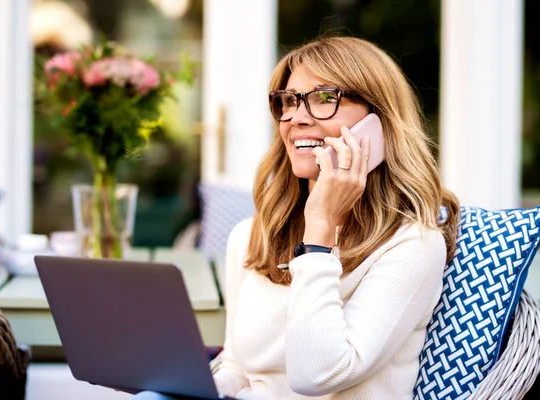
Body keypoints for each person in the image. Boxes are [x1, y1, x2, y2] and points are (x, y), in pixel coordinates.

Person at [134, 35, 460, 399]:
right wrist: (186, 389)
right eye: (288, 102)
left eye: (325, 99)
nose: (296, 119)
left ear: (379, 124)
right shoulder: (251, 236)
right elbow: (238, 367)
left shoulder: (412, 244)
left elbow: (318, 375)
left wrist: (319, 232)